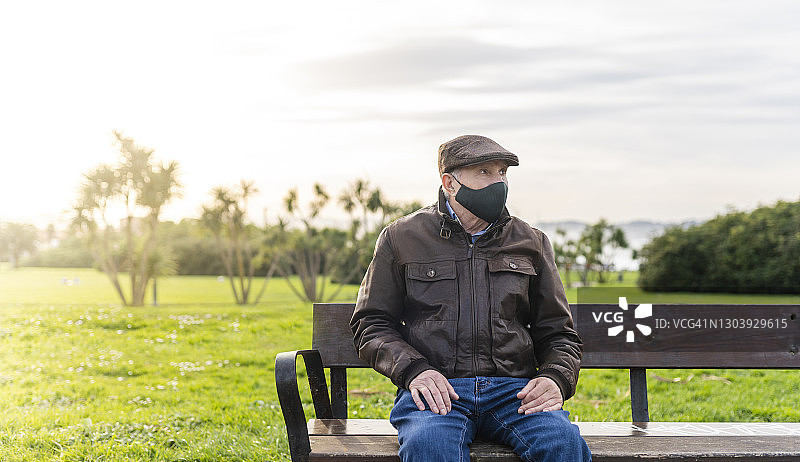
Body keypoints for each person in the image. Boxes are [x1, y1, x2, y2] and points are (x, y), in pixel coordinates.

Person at [351, 135, 591, 462]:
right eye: (484, 172)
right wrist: (415, 370)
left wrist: (554, 377)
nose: (499, 182)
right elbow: (371, 324)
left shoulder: (531, 242)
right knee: (429, 447)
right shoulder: (401, 238)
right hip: (437, 393)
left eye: (503, 172)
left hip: (514, 392)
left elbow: (559, 332)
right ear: (449, 183)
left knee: (562, 444)